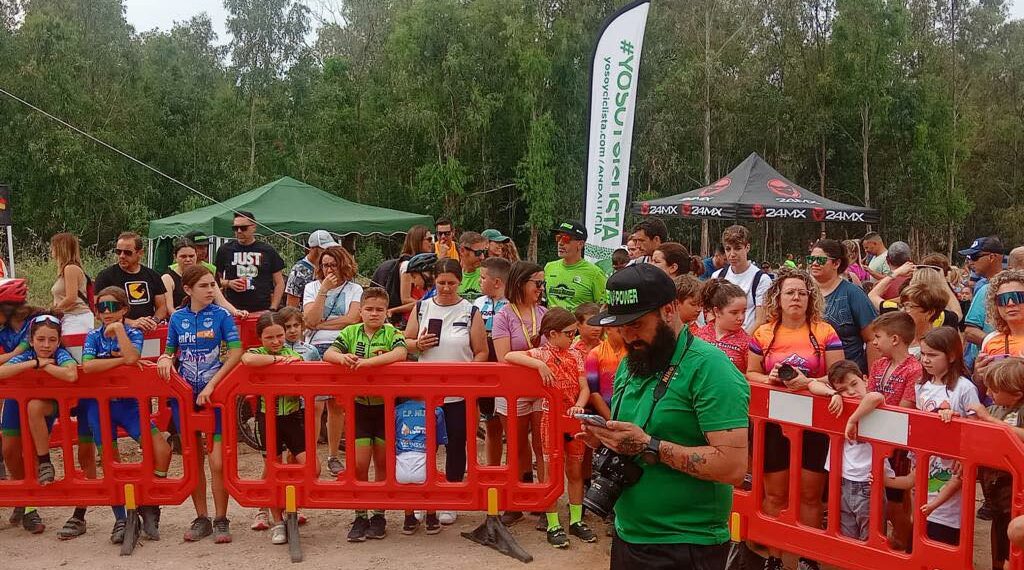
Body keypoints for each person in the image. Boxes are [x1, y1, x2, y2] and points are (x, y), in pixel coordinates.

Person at [578, 264, 749, 569]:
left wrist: (648, 445)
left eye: (637, 324)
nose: (628, 337)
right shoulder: (633, 365)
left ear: (669, 311)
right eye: (619, 327)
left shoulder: (712, 370)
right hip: (629, 535)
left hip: (686, 544)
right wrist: (604, 439)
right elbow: (631, 438)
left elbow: (733, 467)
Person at [746, 268, 843, 570]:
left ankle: (808, 559)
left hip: (815, 425)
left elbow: (840, 375)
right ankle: (774, 558)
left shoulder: (825, 331)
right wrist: (770, 378)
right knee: (774, 493)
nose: (797, 298)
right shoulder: (763, 332)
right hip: (774, 424)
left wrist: (807, 381)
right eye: (790, 292)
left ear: (810, 297)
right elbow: (749, 374)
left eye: (802, 292)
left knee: (810, 495)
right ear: (778, 297)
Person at [157, 265, 242, 544]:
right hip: (184, 397)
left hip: (214, 396)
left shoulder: (222, 316)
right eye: (204, 286)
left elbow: (236, 351)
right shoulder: (177, 318)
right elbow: (170, 350)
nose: (211, 290)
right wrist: (165, 359)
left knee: (217, 461)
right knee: (193, 459)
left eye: (213, 285)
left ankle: (221, 518)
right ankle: (202, 518)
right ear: (188, 289)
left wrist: (212, 385)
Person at [80, 287, 172, 544]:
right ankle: (120, 519)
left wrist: (119, 331)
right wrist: (121, 362)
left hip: (130, 406)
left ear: (124, 310)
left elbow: (133, 355)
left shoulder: (131, 331)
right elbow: (88, 366)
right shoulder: (93, 336)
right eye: (101, 308)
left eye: (112, 308)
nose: (106, 313)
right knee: (111, 462)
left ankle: (150, 504)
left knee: (161, 450)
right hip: (101, 408)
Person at [405, 258, 487, 525]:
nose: (446, 288)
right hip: (425, 391)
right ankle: (422, 497)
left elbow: (481, 351)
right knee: (422, 445)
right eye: (441, 283)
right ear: (434, 282)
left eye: (451, 283)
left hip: (458, 392)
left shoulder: (471, 311)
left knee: (455, 443)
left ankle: (451, 497)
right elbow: (405, 342)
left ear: (460, 282)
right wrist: (418, 344)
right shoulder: (422, 307)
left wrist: (469, 375)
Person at [324, 287, 409, 541]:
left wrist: (368, 364)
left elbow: (401, 353)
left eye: (379, 310)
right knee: (360, 464)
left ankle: (379, 514)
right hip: (360, 408)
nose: (374, 314)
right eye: (369, 309)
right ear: (360, 311)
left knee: (382, 463)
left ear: (386, 313)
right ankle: (360, 515)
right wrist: (341, 359)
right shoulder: (350, 332)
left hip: (385, 408)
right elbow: (328, 352)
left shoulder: (392, 332)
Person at [505, 308, 595, 548]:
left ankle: (576, 520)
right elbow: (509, 356)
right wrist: (538, 365)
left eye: (574, 333)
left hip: (573, 417)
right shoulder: (541, 353)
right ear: (552, 334)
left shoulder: (575, 355)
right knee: (550, 472)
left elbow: (584, 387)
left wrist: (579, 405)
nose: (572, 337)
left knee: (575, 470)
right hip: (549, 419)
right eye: (568, 333)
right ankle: (553, 522)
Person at [844, 311, 920, 551]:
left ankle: (903, 545)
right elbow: (870, 397)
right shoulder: (878, 364)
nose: (873, 342)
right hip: (874, 441)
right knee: (877, 494)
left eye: (877, 337)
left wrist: (872, 411)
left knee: (896, 501)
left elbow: (904, 408)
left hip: (899, 446)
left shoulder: (914, 369)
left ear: (895, 339)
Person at [0, 314, 78, 535]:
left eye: (52, 340)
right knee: (10, 451)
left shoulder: (61, 354)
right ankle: (21, 500)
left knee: (31, 451)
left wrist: (46, 368)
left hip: (44, 406)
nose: (46, 345)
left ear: (59, 340)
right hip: (16, 406)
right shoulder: (27, 355)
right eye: (41, 339)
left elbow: (71, 374)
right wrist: (34, 363)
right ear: (31, 340)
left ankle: (31, 507)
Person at [241, 311, 311, 545]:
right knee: (273, 469)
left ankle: (293, 504)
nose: (276, 342)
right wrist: (277, 361)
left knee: (311, 466)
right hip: (266, 418)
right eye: (269, 338)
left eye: (280, 336)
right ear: (260, 338)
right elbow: (248, 360)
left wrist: (289, 361)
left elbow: (299, 376)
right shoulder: (259, 353)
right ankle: (278, 521)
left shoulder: (293, 354)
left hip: (292, 417)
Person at [809, 360, 893, 541]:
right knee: (847, 538)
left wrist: (852, 420)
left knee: (870, 539)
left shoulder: (872, 404)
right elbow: (812, 384)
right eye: (843, 390)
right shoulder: (839, 402)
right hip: (842, 481)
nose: (851, 392)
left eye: (854, 384)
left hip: (868, 483)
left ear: (865, 379)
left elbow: (875, 397)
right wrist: (833, 394)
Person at [492, 261, 548, 518]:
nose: (541, 288)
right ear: (520, 283)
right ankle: (518, 495)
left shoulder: (545, 314)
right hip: (513, 389)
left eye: (542, 283)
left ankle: (543, 496)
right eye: (537, 283)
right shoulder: (504, 315)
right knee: (515, 444)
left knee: (541, 443)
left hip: (541, 388)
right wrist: (535, 360)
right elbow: (503, 356)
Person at [914, 328, 978, 546]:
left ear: (951, 356)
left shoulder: (964, 388)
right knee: (922, 523)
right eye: (923, 354)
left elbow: (976, 425)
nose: (926, 360)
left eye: (933, 355)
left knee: (945, 529)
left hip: (952, 469)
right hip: (924, 465)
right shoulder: (920, 386)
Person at [303, 245, 363, 476]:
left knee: (337, 405)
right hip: (315, 347)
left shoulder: (354, 288)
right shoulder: (312, 288)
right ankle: (310, 456)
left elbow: (350, 320)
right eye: (325, 265)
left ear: (343, 265)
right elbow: (309, 319)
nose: (329, 269)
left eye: (333, 264)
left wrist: (320, 324)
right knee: (316, 404)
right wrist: (323, 291)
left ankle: (333, 456)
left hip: (342, 346)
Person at [969, 357, 1024, 569]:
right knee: (999, 533)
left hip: (1015, 489)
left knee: (1012, 537)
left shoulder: (1019, 412)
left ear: (1017, 393)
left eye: (995, 390)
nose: (989, 394)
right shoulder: (994, 409)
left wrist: (991, 422)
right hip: (995, 488)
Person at [809, 239, 877, 372]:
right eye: (811, 259)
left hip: (847, 375)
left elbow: (872, 338)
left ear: (836, 263)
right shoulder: (804, 292)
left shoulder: (853, 293)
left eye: (821, 260)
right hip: (811, 374)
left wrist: (873, 379)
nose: (814, 264)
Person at [473, 256, 510, 466]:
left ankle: (514, 472)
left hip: (505, 370)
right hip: (485, 371)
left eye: (483, 277)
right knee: (491, 423)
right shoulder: (477, 303)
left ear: (496, 282)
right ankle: (492, 470)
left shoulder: (512, 303)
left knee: (511, 426)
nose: (479, 281)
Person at [95, 231, 168, 331]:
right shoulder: (106, 276)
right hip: (116, 332)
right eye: (118, 251)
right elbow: (99, 311)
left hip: (148, 332)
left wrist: (153, 321)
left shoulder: (152, 275)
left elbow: (162, 307)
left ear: (140, 253)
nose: (122, 256)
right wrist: (131, 322)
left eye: (127, 252)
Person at [214, 210, 286, 312]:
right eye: (235, 228)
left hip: (262, 309)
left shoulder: (267, 250)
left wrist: (273, 308)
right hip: (233, 309)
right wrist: (229, 283)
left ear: (253, 227)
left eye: (243, 228)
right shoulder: (225, 250)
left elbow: (279, 283)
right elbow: (216, 281)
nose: (239, 231)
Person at [395, 398, 447, 535]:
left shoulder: (396, 410)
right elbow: (439, 440)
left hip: (401, 461)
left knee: (406, 489)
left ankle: (409, 520)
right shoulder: (436, 410)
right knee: (432, 483)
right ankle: (431, 520)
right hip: (424, 459)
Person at [162, 239, 247, 317]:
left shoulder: (205, 274)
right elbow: (169, 308)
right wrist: (185, 321)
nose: (188, 259)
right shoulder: (168, 278)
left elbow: (221, 301)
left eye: (191, 256)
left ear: (196, 256)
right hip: (181, 324)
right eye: (183, 256)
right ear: (175, 257)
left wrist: (236, 311)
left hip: (205, 321)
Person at [714, 224, 772, 334]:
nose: (732, 254)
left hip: (747, 340)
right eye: (728, 249)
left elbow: (761, 320)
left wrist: (741, 343)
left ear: (747, 248)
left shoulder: (761, 279)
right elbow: (711, 313)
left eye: (737, 248)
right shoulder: (717, 276)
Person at [962, 237, 1007, 371]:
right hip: (984, 364)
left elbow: (970, 332)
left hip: (995, 366)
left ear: (992, 257)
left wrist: (1003, 347)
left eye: (975, 257)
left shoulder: (988, 288)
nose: (970, 262)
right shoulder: (983, 286)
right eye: (969, 257)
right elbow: (969, 332)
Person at [545, 221, 607, 312]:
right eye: (558, 238)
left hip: (579, 325)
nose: (560, 243)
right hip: (551, 325)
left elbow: (604, 307)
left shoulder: (595, 273)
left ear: (580, 244)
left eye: (566, 239)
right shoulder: (549, 267)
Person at [695, 279, 750, 372]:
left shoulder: (748, 342)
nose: (741, 317)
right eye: (734, 312)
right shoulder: (698, 335)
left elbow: (751, 376)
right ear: (717, 311)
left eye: (744, 311)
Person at [49, 233, 93, 335]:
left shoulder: (70, 269)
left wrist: (52, 310)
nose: (51, 250)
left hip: (76, 317)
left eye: (53, 247)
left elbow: (71, 297)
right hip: (69, 317)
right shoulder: (67, 270)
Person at [390, 225, 436, 324]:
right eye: (428, 239)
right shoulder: (407, 264)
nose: (432, 243)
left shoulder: (428, 264)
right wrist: (428, 304)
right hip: (411, 317)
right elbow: (405, 299)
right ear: (417, 241)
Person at [285, 230, 337, 308]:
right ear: (312, 248)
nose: (327, 251)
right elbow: (291, 305)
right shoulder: (299, 270)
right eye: (323, 248)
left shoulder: (331, 267)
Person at [584, 323, 626, 420]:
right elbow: (594, 393)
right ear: (608, 329)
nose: (625, 333)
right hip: (605, 415)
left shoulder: (634, 352)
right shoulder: (595, 354)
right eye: (620, 331)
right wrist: (611, 420)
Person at [457, 231, 488, 301]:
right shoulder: (453, 276)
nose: (482, 257)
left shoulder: (487, 275)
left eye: (484, 252)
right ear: (462, 251)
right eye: (478, 253)